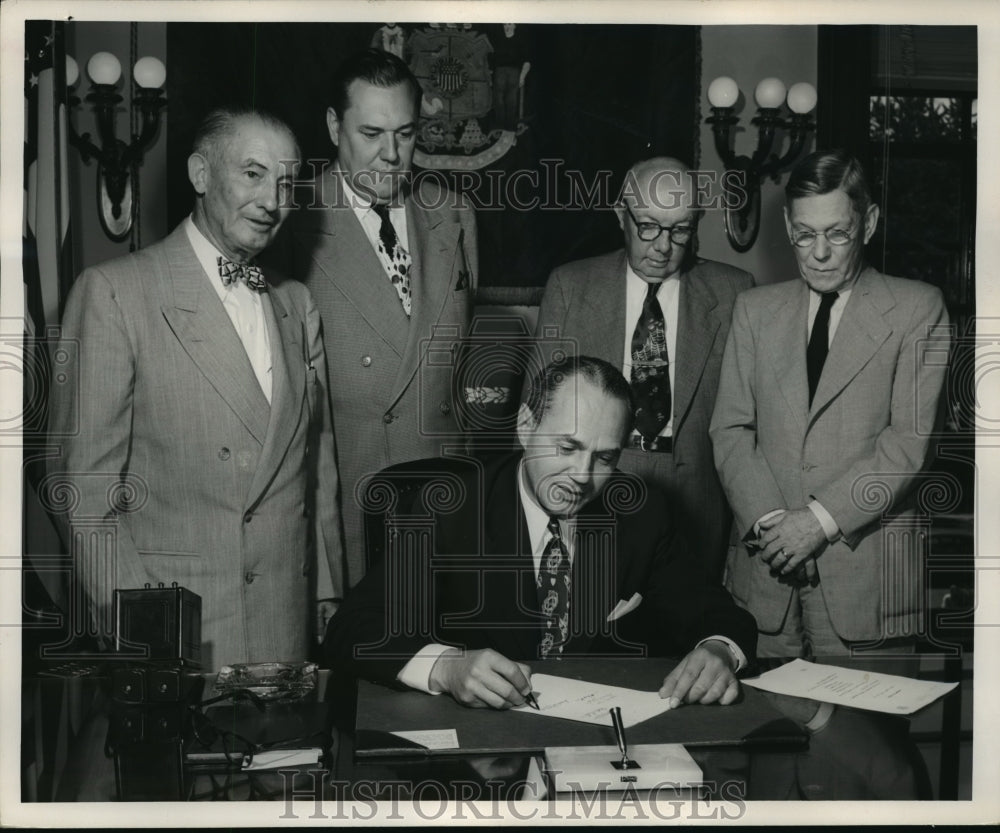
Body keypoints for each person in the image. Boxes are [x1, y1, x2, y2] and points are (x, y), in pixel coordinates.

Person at [47, 108, 342, 670]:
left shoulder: (298, 305)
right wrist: (146, 631)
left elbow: (316, 469)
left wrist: (325, 591)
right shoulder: (115, 293)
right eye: (252, 174)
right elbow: (84, 497)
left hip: (285, 635)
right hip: (177, 640)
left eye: (285, 182)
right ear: (200, 174)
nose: (272, 200)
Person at [324, 356, 757, 709]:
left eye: (604, 458)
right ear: (526, 426)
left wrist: (718, 650)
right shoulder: (451, 508)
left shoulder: (641, 513)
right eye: (567, 448)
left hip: (593, 749)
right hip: (480, 761)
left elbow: (720, 615)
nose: (582, 477)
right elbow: (353, 628)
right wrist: (447, 668)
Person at [709, 149, 950, 658]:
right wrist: (774, 526)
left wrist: (816, 522)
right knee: (764, 734)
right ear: (787, 224)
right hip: (765, 584)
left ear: (869, 224)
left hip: (868, 587)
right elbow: (731, 430)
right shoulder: (754, 310)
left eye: (837, 233)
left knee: (869, 740)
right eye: (804, 234)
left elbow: (909, 445)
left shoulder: (917, 309)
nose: (818, 252)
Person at [272, 48, 478, 602]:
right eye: (371, 133)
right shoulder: (291, 220)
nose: (392, 155)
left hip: (445, 500)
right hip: (353, 502)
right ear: (334, 126)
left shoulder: (453, 212)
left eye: (406, 134)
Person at [535, 158, 753, 583]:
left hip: (696, 505)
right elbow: (539, 413)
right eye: (647, 226)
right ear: (621, 215)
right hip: (592, 490)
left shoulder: (735, 291)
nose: (662, 246)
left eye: (680, 230)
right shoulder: (570, 286)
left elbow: (749, 424)